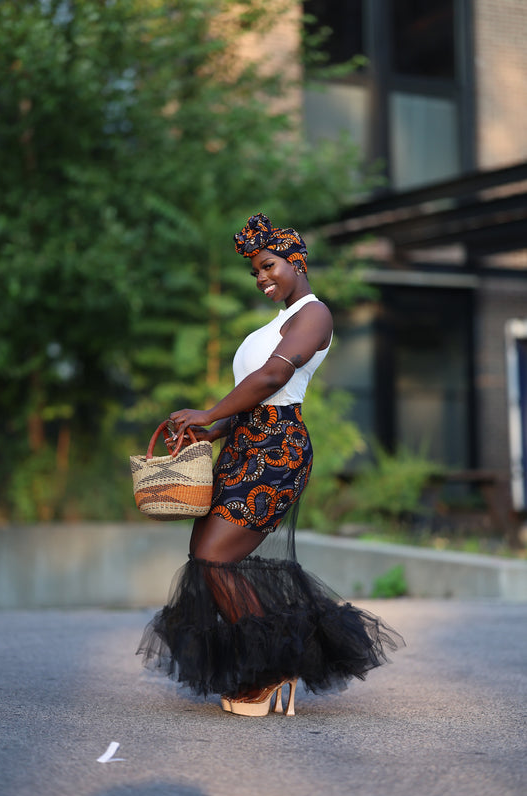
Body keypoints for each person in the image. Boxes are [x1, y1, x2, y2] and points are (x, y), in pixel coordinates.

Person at [137, 212, 402, 716]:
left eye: (268, 266)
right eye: (256, 272)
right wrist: (210, 430)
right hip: (246, 445)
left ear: (295, 261)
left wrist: (210, 409)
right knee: (207, 557)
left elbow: (273, 378)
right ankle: (272, 662)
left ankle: (271, 668)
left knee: (215, 558)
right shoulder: (276, 323)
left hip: (278, 452)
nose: (262, 278)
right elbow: (256, 399)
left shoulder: (313, 315)